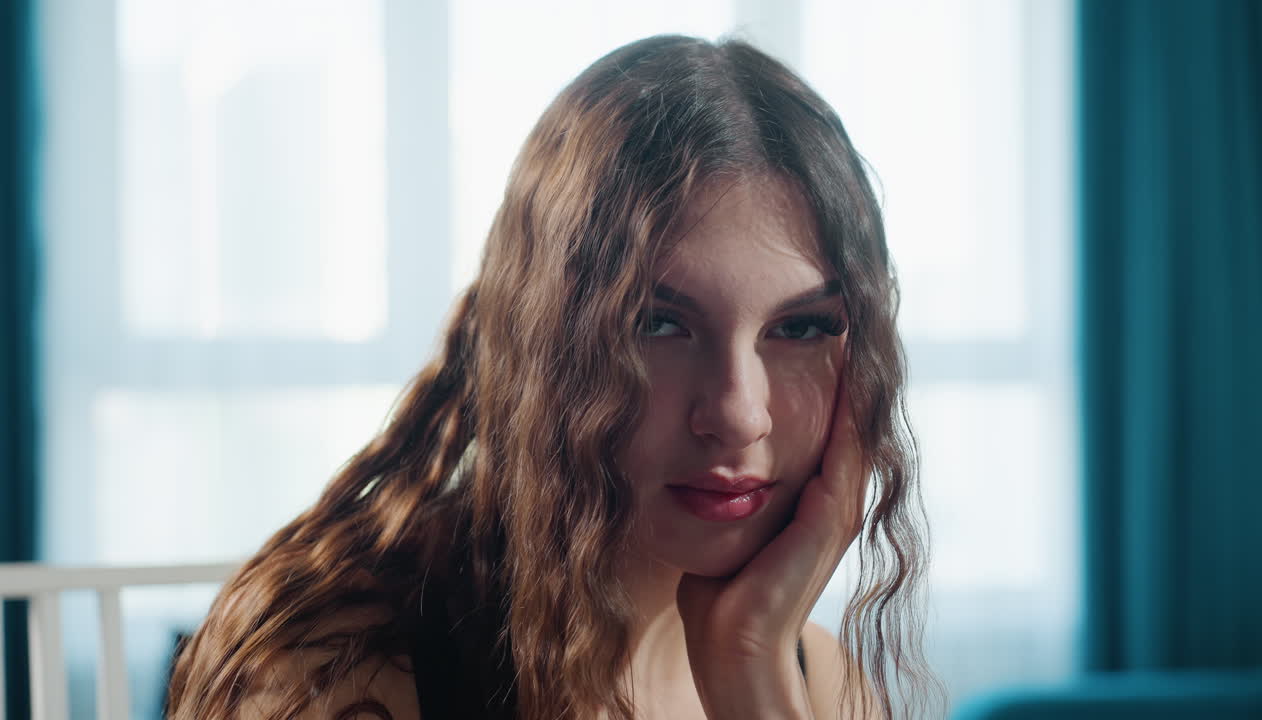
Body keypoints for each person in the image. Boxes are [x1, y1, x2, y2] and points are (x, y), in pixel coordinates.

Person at [165, 34, 937, 720]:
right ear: (547, 343)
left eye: (800, 327)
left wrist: (750, 674)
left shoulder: (814, 679)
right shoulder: (336, 670)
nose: (737, 413)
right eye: (657, 322)